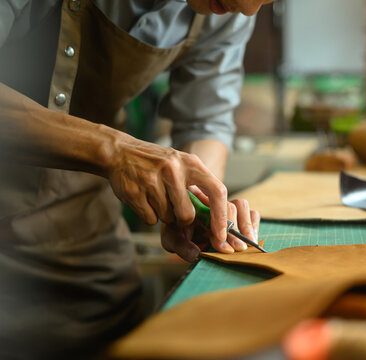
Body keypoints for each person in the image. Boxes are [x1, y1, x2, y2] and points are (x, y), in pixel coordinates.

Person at [0, 0, 273, 358]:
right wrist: (111, 149)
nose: (249, 10)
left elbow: (206, 122)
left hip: (78, 227)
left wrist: (194, 198)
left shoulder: (228, 10)